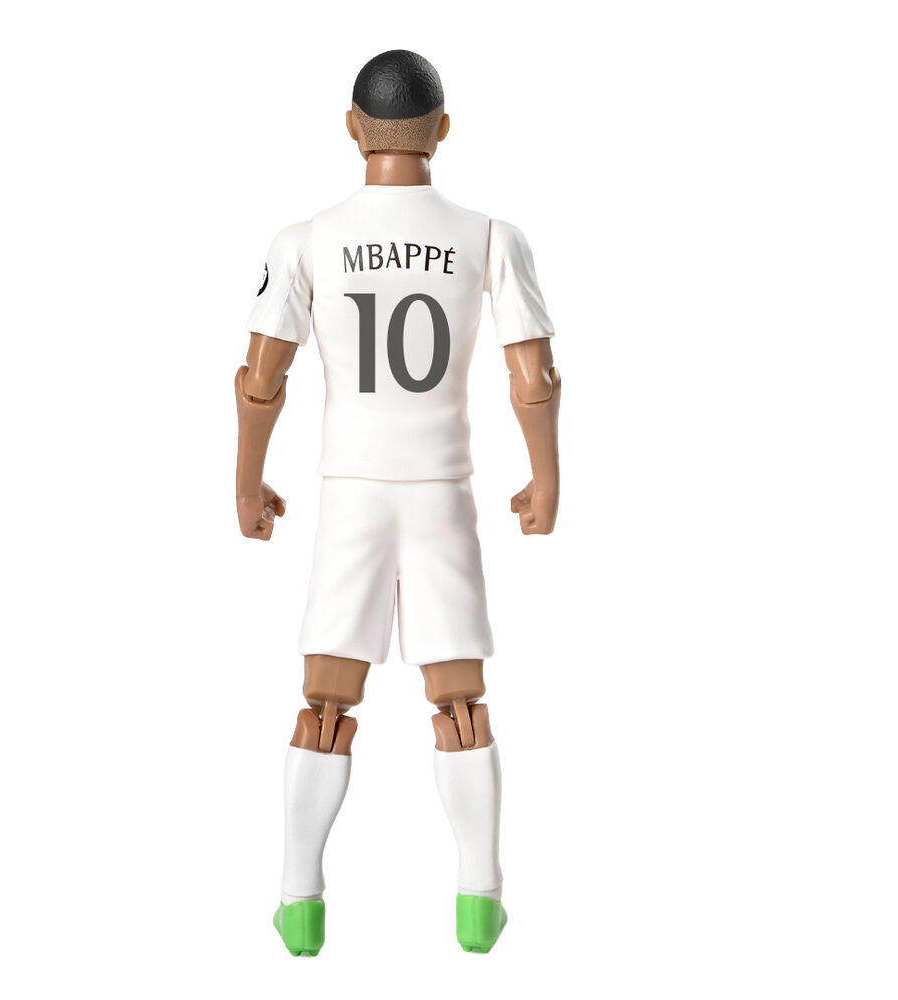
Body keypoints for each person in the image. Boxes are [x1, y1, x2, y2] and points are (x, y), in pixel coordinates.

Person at [235, 49, 560, 955]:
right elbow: (534, 376)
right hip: (442, 492)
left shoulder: (304, 239)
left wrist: (247, 482)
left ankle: (300, 901)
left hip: (352, 494)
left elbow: (259, 380)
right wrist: (547, 477)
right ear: (443, 131)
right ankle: (480, 899)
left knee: (326, 699)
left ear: (351, 129)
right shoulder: (491, 237)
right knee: (460, 699)